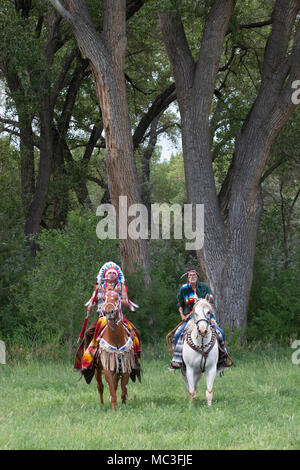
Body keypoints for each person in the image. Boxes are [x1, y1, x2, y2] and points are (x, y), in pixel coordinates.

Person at [170, 269, 233, 369]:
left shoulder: (204, 287)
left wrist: (202, 306)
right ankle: (176, 359)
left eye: (194, 275)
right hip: (190, 317)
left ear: (197, 277)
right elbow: (180, 303)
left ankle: (224, 357)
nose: (192, 277)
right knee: (178, 333)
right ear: (187, 278)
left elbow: (210, 301)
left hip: (206, 317)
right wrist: (182, 314)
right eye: (190, 275)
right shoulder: (184, 289)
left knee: (220, 333)